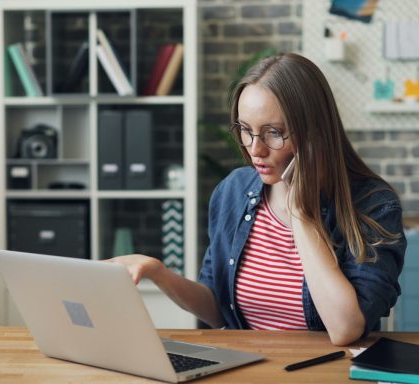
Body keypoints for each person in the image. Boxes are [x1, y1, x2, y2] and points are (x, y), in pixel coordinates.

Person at [108, 52, 406, 346]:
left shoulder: (372, 205)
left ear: (315, 133)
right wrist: (158, 272)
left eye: (273, 133)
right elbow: (217, 308)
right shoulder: (234, 190)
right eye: (245, 130)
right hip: (252, 368)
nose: (255, 149)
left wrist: (300, 212)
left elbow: (345, 329)